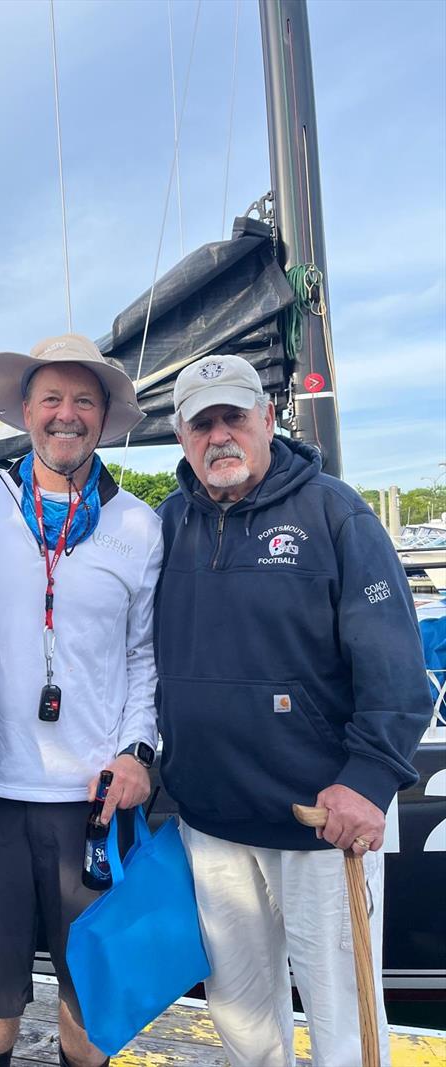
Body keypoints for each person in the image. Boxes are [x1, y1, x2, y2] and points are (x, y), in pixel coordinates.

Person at [155, 354, 433, 1067]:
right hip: (213, 823)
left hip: (321, 819)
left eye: (233, 418)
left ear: (268, 419)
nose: (219, 436)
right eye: (202, 422)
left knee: (343, 1019)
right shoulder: (166, 524)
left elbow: (399, 672)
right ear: (181, 435)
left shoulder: (335, 512)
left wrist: (369, 781)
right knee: (243, 1019)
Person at [0, 334, 163, 1067]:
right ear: (26, 412)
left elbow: (145, 657)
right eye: (52, 400)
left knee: (86, 1001)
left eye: (84, 402)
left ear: (102, 416)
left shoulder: (139, 524)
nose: (67, 415)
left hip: (93, 804)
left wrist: (138, 752)